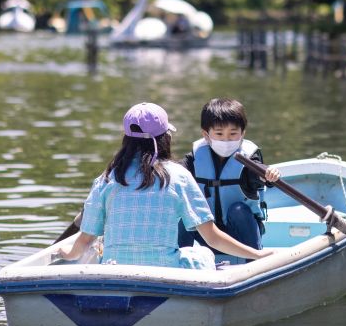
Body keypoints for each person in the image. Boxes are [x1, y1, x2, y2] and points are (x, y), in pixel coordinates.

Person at [55, 102, 272, 269]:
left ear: (127, 139)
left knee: (98, 247)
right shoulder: (179, 176)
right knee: (204, 253)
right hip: (166, 270)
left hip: (114, 267)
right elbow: (212, 237)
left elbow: (83, 242)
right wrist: (258, 255)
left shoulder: (106, 178)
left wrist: (65, 253)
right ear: (164, 138)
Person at [178, 98, 281, 253]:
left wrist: (269, 175)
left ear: (242, 134)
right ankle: (177, 262)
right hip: (208, 235)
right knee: (186, 214)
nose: (226, 139)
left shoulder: (248, 159)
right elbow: (175, 172)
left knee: (238, 210)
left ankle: (253, 261)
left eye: (233, 133)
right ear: (206, 135)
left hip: (241, 238)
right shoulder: (196, 156)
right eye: (219, 133)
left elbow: (258, 172)